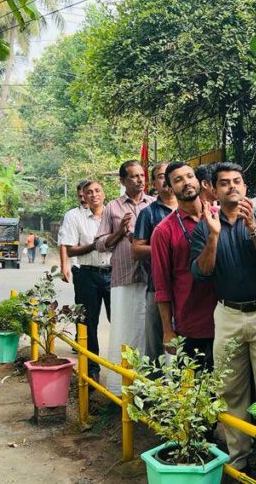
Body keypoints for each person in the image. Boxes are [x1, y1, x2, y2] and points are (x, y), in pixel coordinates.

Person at [190, 162, 256, 480]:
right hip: (227, 313)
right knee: (230, 389)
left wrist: (254, 229)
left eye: (237, 181)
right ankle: (236, 460)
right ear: (212, 188)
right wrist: (212, 236)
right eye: (224, 183)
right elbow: (202, 272)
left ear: (245, 185)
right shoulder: (204, 224)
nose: (232, 187)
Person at [95, 160, 155, 395]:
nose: (140, 180)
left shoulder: (153, 204)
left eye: (142, 176)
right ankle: (122, 389)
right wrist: (120, 232)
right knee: (124, 330)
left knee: (149, 331)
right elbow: (100, 243)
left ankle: (149, 387)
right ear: (122, 181)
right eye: (133, 176)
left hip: (151, 276)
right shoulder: (113, 207)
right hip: (124, 276)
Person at [151, 162, 218, 368]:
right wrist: (167, 330)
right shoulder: (163, 231)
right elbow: (161, 285)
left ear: (199, 182)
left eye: (189, 176)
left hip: (226, 319)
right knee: (192, 389)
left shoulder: (219, 215)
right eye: (178, 180)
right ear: (170, 189)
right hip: (190, 322)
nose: (186, 182)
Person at [57, 180, 112, 382]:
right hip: (86, 274)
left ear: (104, 193)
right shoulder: (73, 216)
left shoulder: (112, 213)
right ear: (83, 196)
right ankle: (92, 370)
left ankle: (120, 368)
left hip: (115, 274)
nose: (93, 194)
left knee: (120, 321)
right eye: (89, 192)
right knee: (88, 323)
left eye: (97, 190)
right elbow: (69, 248)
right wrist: (94, 246)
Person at [132, 162, 177, 361]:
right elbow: (136, 249)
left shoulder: (196, 209)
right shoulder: (148, 213)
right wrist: (167, 250)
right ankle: (154, 390)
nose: (166, 180)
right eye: (161, 176)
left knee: (191, 344)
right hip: (157, 286)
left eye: (171, 176)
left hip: (191, 287)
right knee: (155, 344)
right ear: (153, 183)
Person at [60, 179, 90, 283]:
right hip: (80, 268)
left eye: (85, 195)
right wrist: (64, 266)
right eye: (80, 196)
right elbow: (64, 242)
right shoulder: (71, 215)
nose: (82, 199)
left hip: (107, 270)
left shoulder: (107, 212)